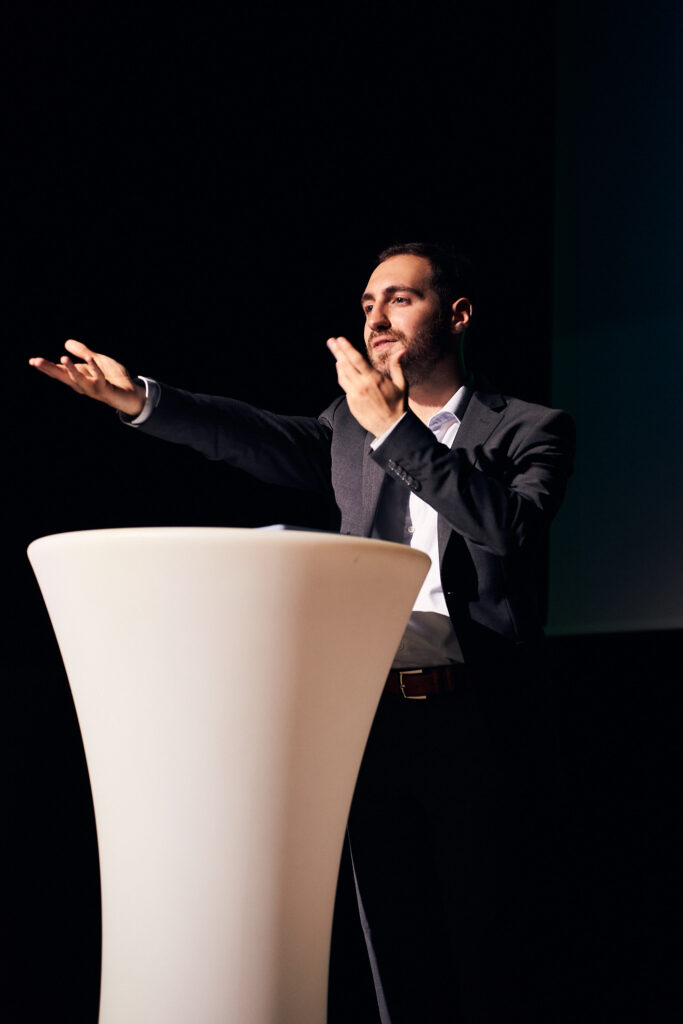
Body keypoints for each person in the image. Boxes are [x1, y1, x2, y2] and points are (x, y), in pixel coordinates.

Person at [29, 242, 575, 1023]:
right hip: (366, 722)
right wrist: (139, 400)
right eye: (367, 304)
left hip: (475, 719)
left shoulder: (527, 427)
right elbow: (246, 434)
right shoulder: (344, 430)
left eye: (399, 299)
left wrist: (397, 431)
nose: (376, 318)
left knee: (490, 951)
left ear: (456, 315)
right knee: (395, 950)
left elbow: (509, 529)